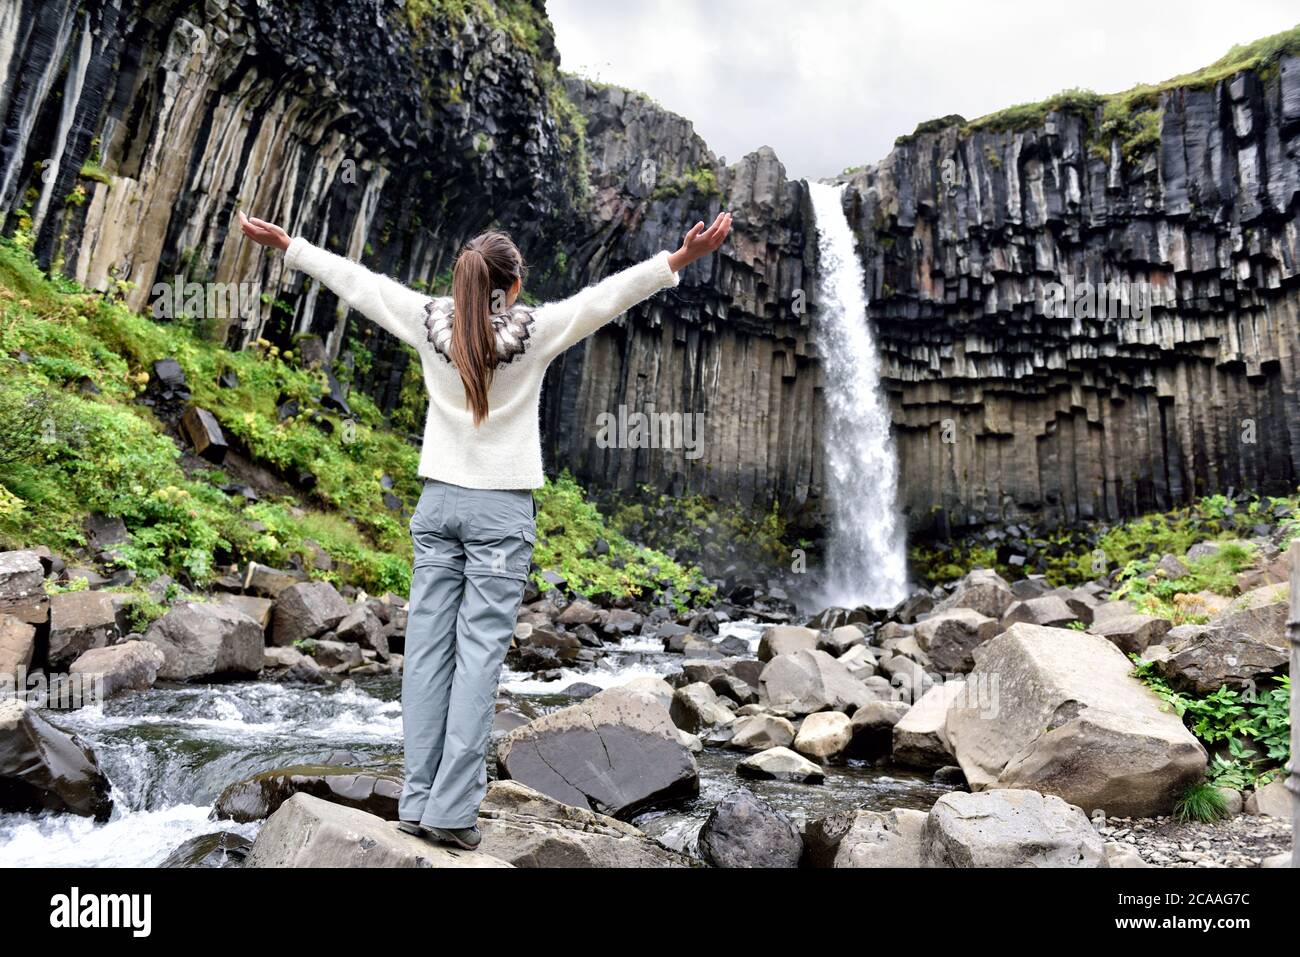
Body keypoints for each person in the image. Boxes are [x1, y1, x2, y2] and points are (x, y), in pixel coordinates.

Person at [238, 208, 732, 848]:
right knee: (476, 663)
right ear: (514, 286)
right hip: (501, 511)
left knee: (426, 657)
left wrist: (293, 246)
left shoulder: (425, 321)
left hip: (439, 506)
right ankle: (449, 812)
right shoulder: (539, 331)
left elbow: (358, 284)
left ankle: (416, 803)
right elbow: (606, 298)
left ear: (460, 281)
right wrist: (679, 260)